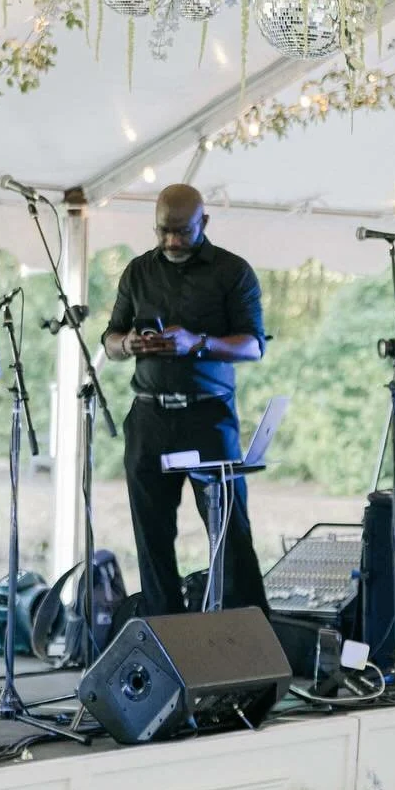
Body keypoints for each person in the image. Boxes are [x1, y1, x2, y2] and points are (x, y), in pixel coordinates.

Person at [102, 184, 268, 616]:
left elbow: (253, 346)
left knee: (230, 533)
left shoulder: (232, 271)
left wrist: (197, 343)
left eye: (182, 232)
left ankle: (248, 645)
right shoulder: (138, 271)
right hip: (148, 415)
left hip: (207, 415)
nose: (172, 241)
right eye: (164, 231)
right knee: (152, 538)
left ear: (204, 223)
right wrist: (130, 344)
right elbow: (110, 339)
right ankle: (168, 640)